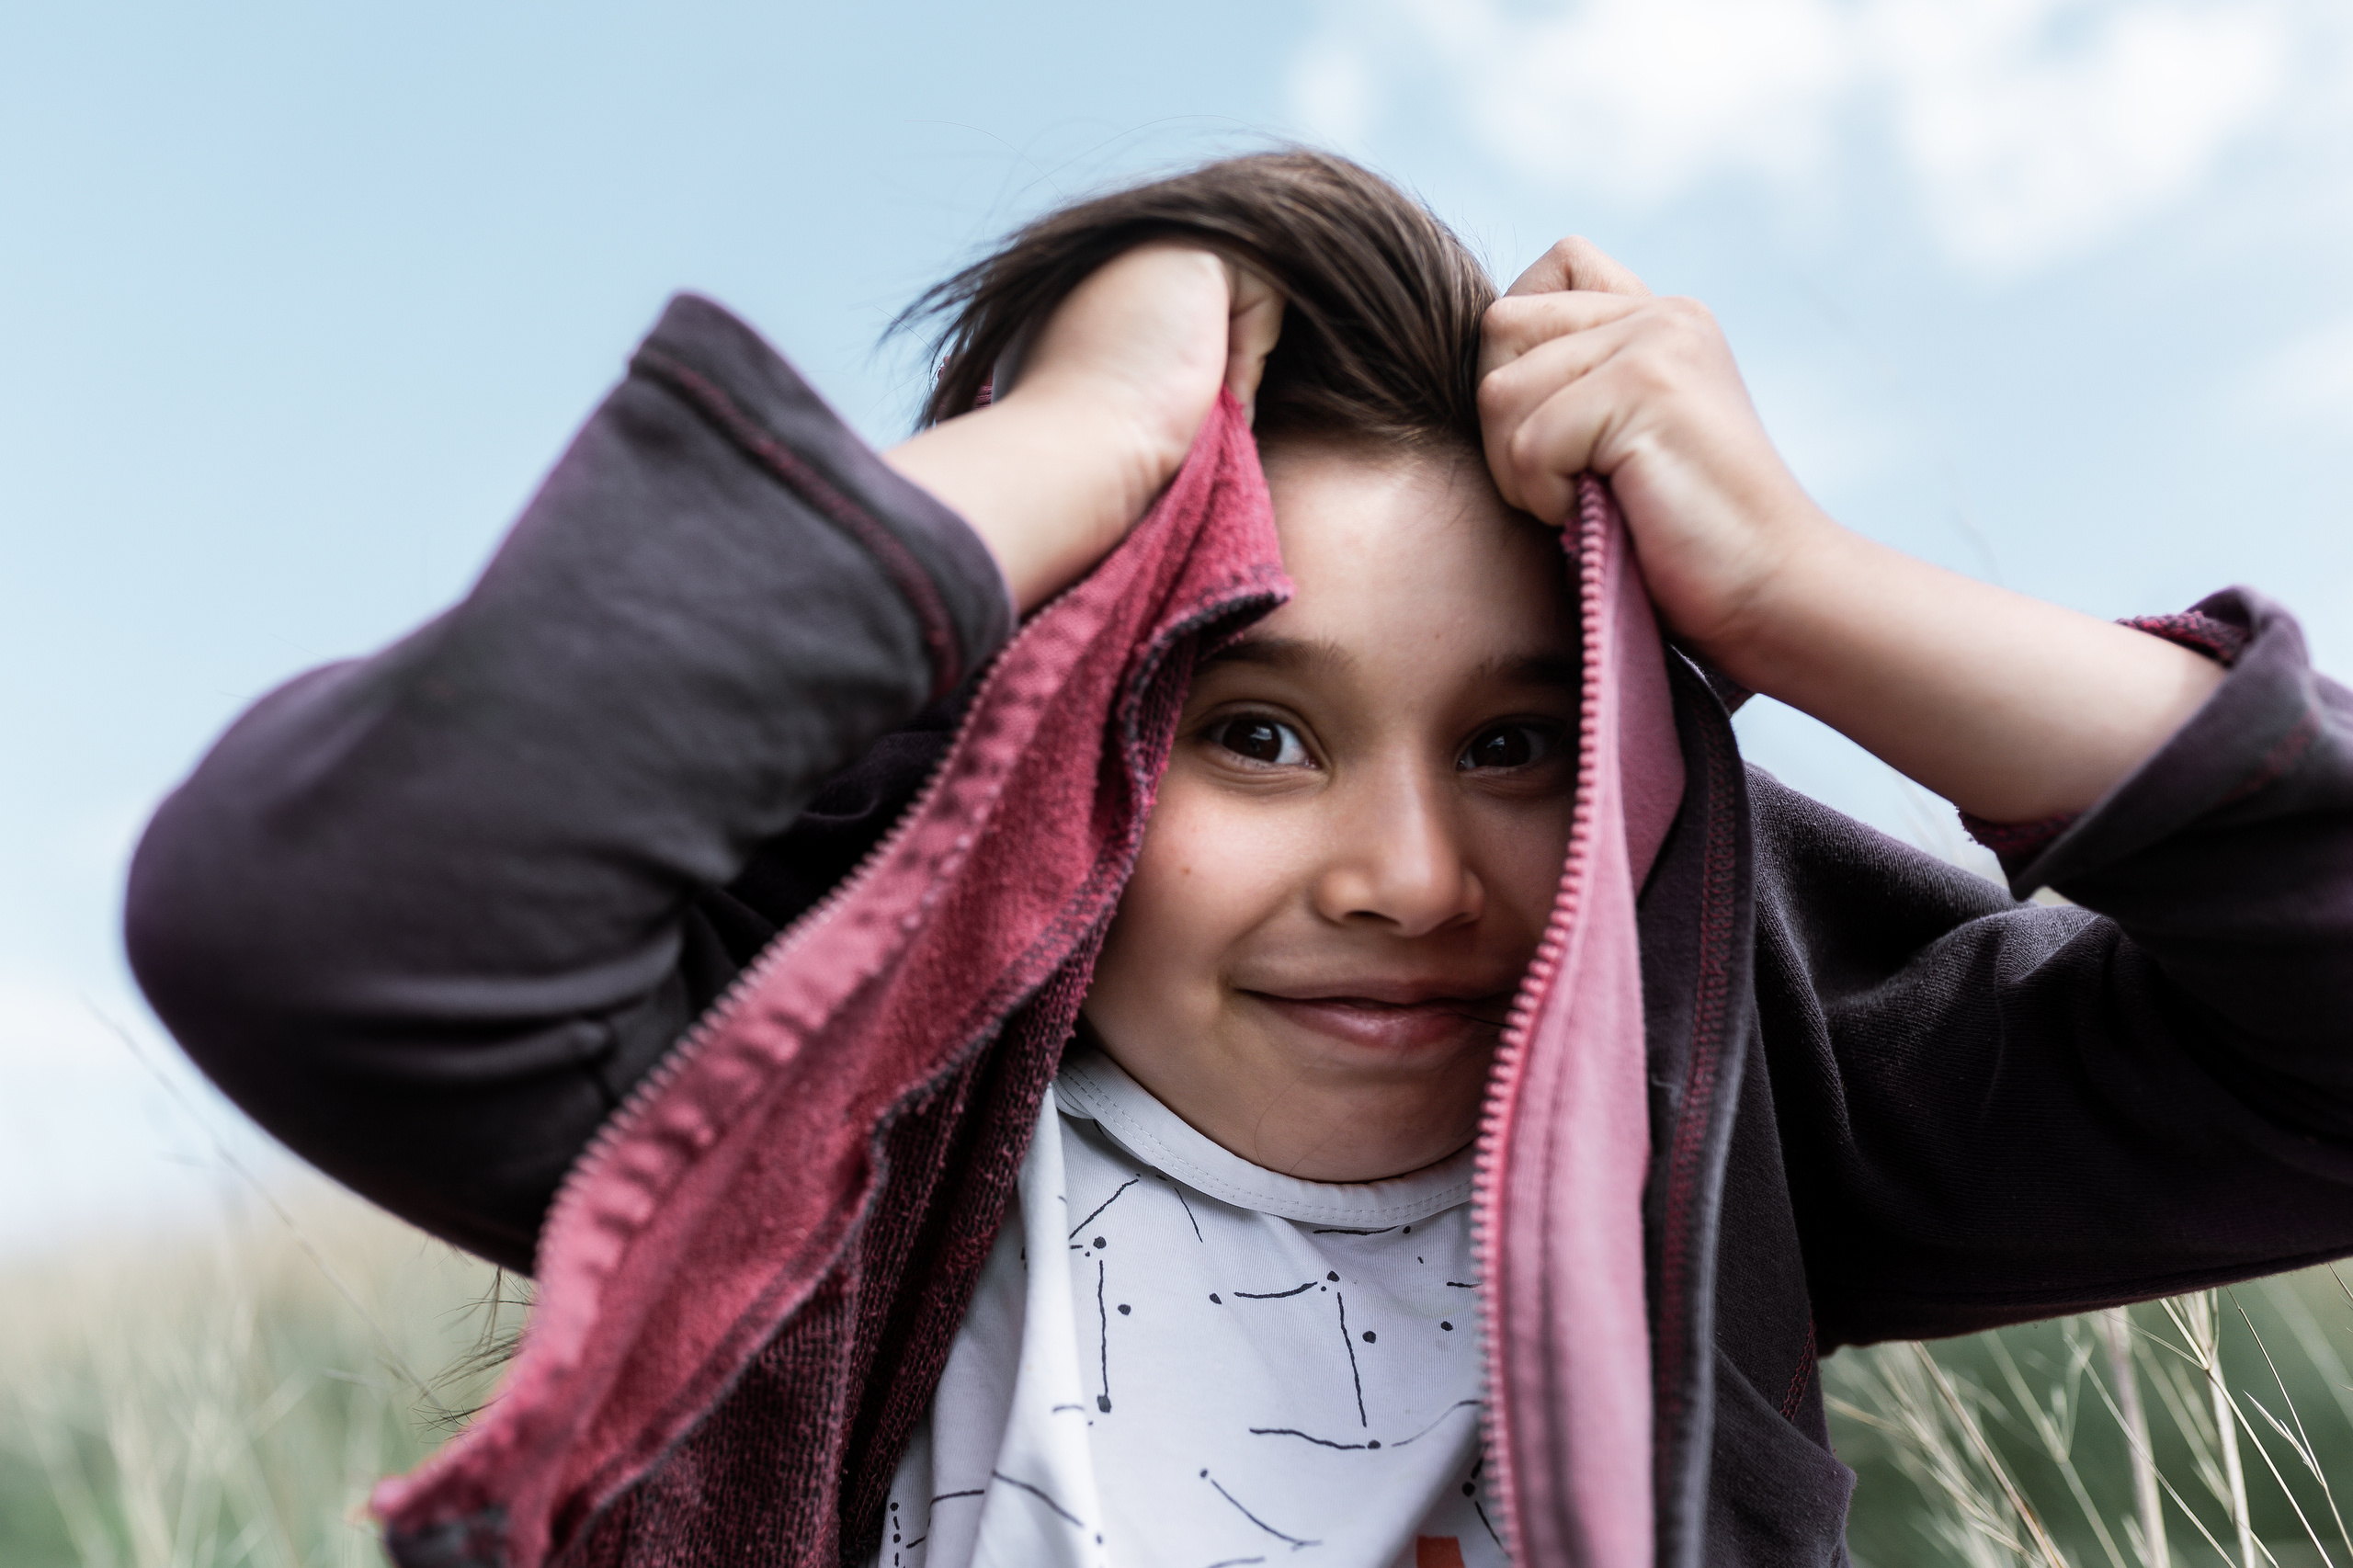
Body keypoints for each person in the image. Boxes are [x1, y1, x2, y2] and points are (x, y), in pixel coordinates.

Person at [124, 151, 2353, 1568]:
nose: (1406, 873)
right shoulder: (819, 1106)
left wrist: (1794, 591)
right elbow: (306, 917)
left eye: (1518, 739)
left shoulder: (1739, 1084)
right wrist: (1081, 444)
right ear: (1062, 737)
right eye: (1254, 732)